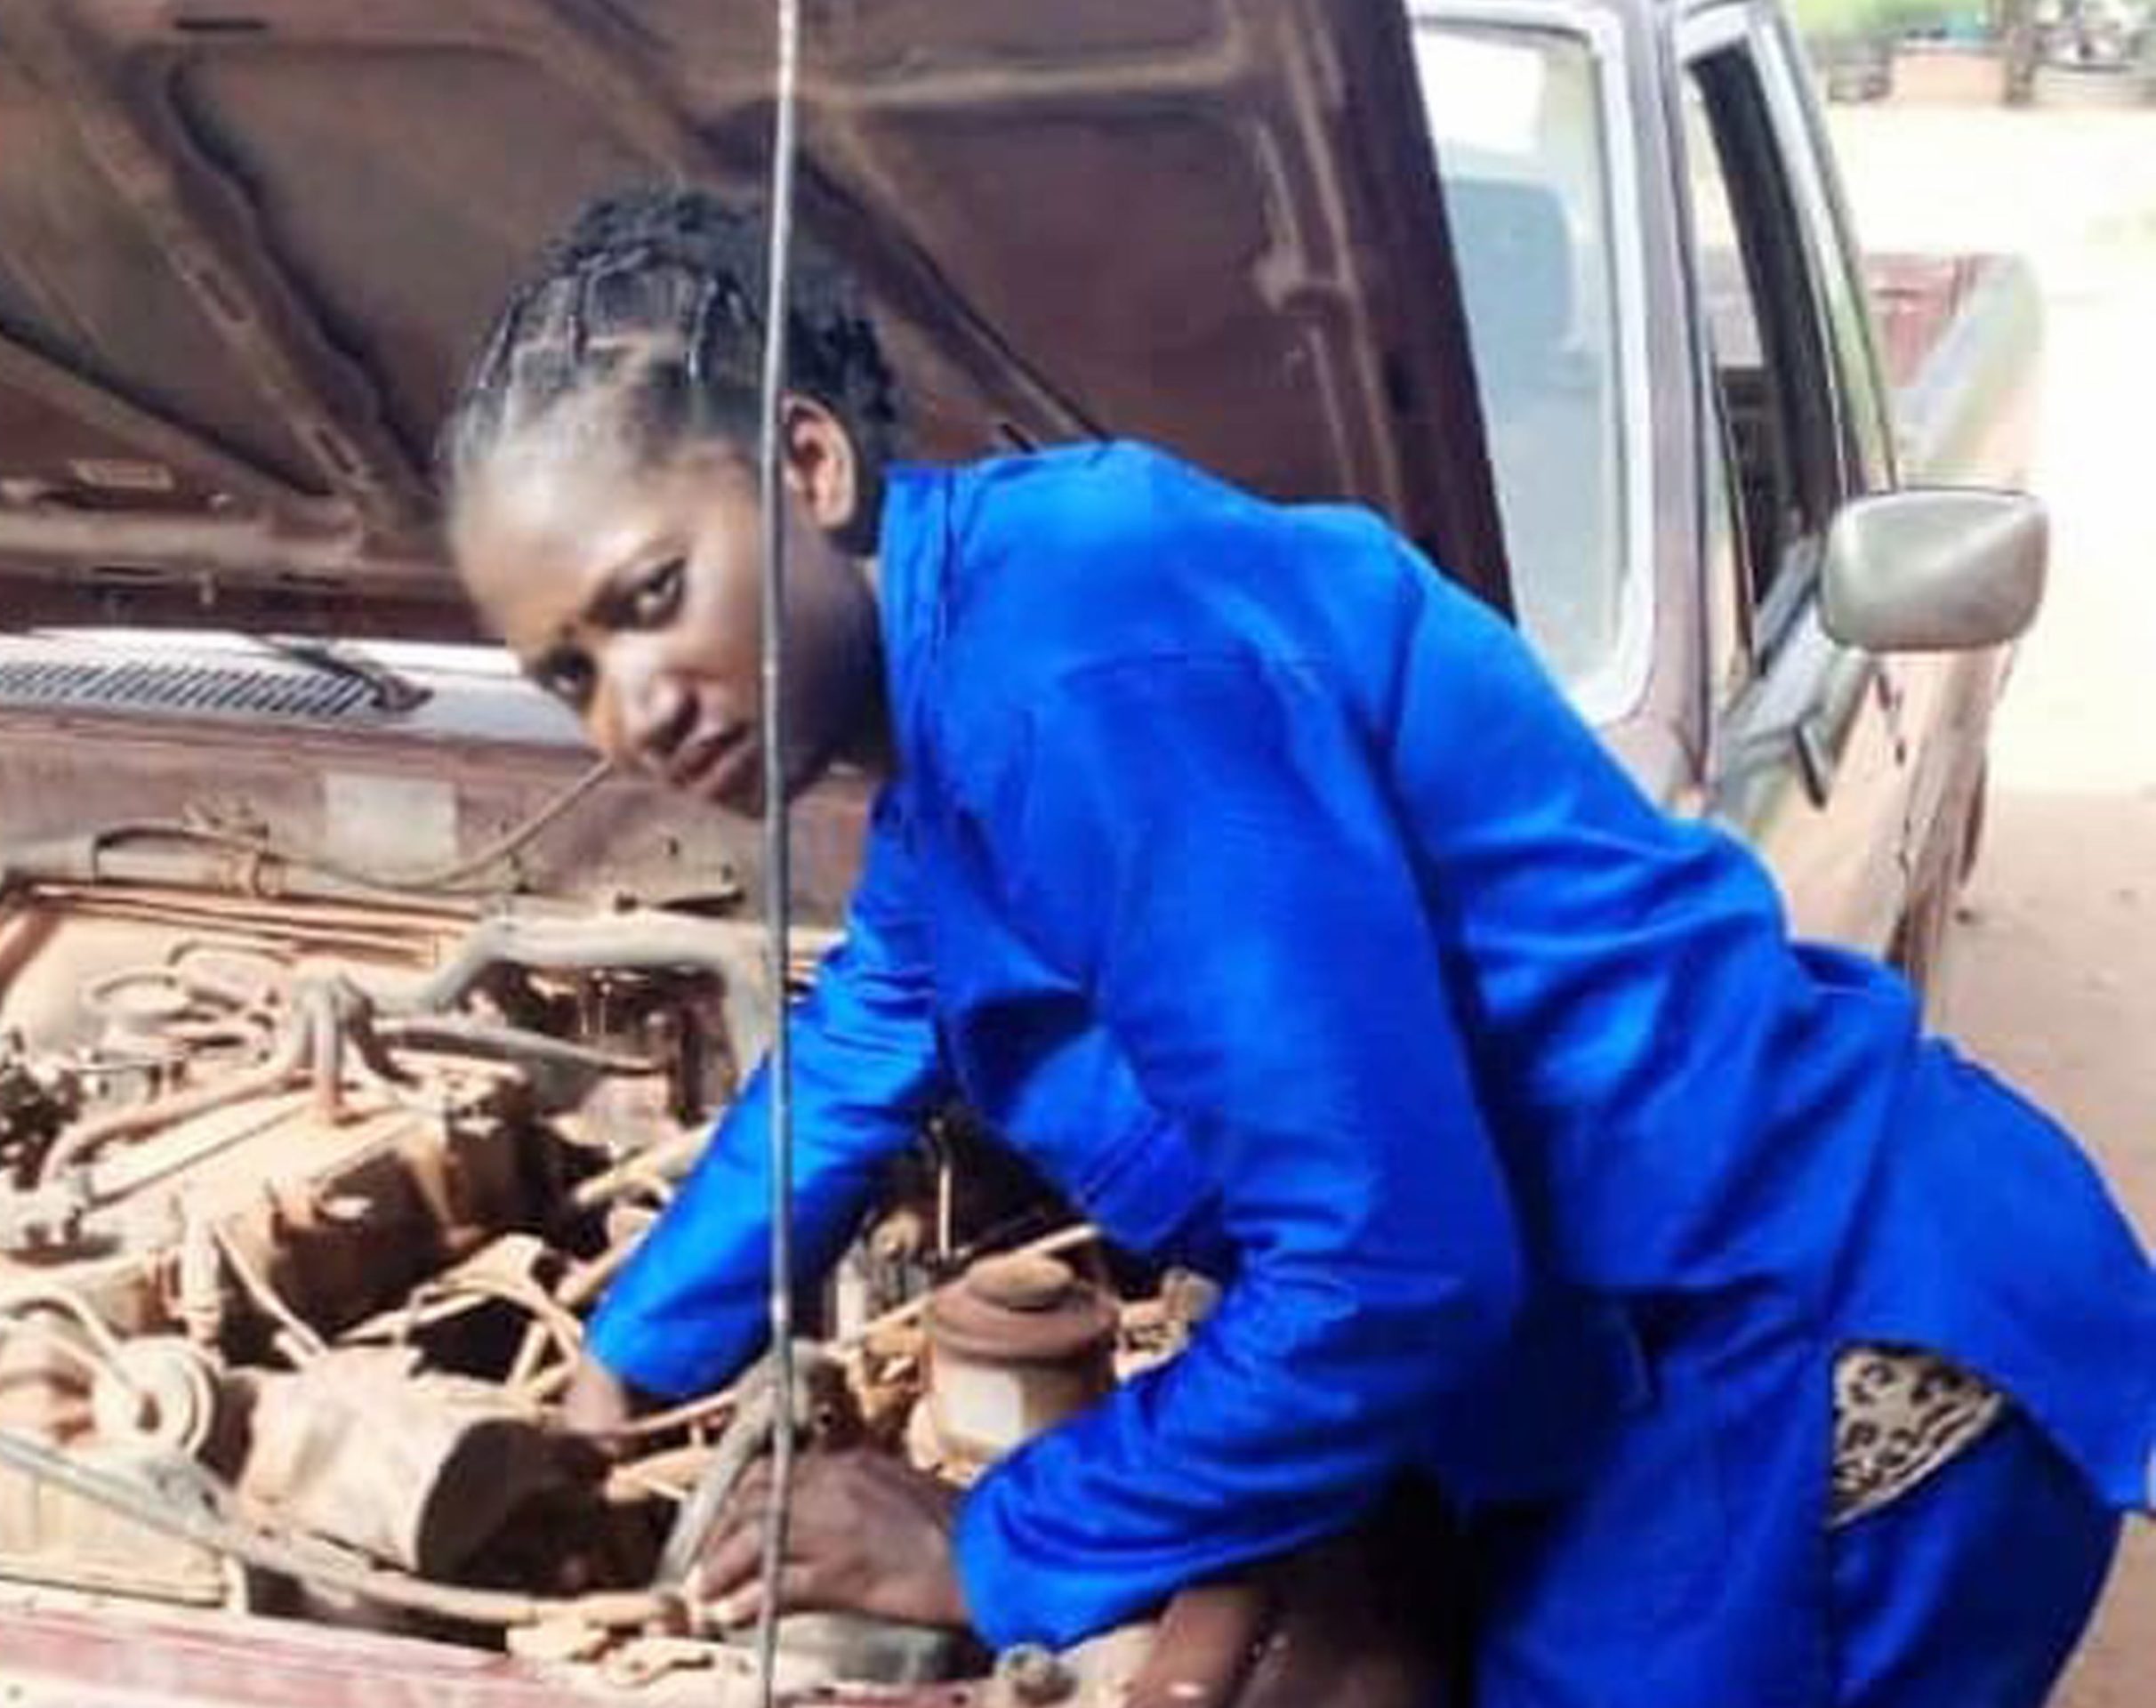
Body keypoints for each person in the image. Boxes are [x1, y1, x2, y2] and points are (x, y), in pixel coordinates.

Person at [439, 188, 2154, 1706]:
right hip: (1637, 1373)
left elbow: (1392, 1264)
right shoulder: (958, 711)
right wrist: (616, 1374)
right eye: (569, 671)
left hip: (1813, 1363)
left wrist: (991, 1545)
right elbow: (872, 1032)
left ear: (805, 467)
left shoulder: (1083, 671)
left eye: (649, 593)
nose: (635, 707)